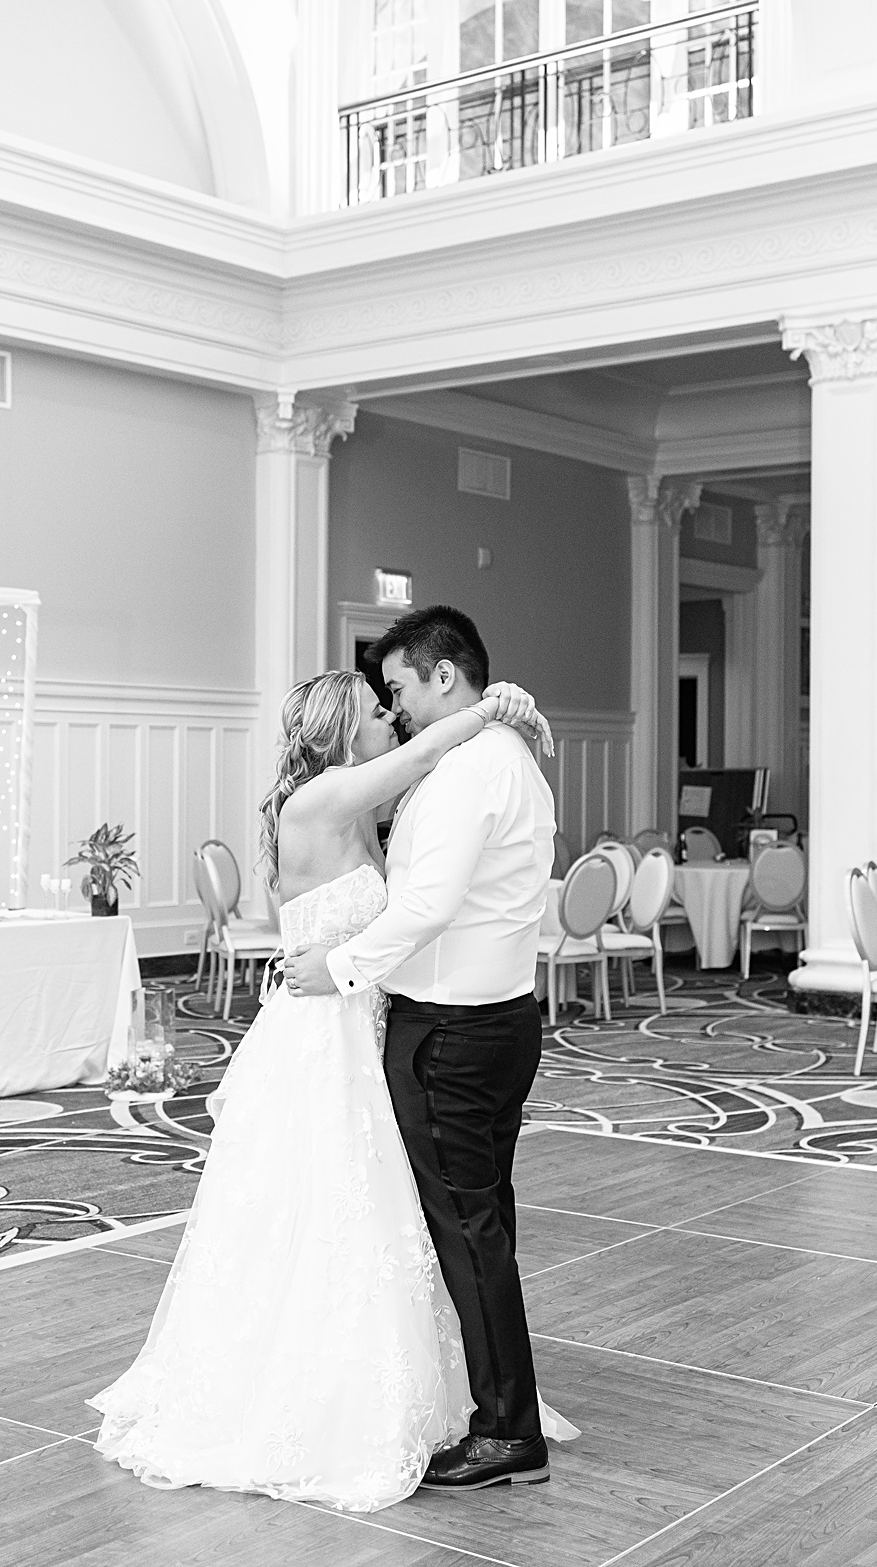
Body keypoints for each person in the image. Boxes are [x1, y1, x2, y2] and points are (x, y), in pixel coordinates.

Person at [90, 664, 561, 1510]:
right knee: (328, 1201)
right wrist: (494, 710)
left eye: (396, 704)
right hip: (324, 1024)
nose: (393, 719)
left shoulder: (346, 802)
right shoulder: (324, 799)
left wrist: (511, 724)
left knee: (383, 1204)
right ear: (346, 730)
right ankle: (320, 1391)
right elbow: (422, 759)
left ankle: (442, 1386)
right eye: (379, 712)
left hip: (361, 1013)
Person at [288, 605, 565, 1493]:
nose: (396, 705)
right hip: (502, 1020)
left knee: (469, 1229)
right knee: (486, 1222)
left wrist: (341, 965)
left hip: (449, 1032)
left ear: (444, 677)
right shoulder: (505, 757)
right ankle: (502, 1404)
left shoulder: (464, 771)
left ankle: (506, 1432)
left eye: (400, 686)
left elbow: (426, 907)